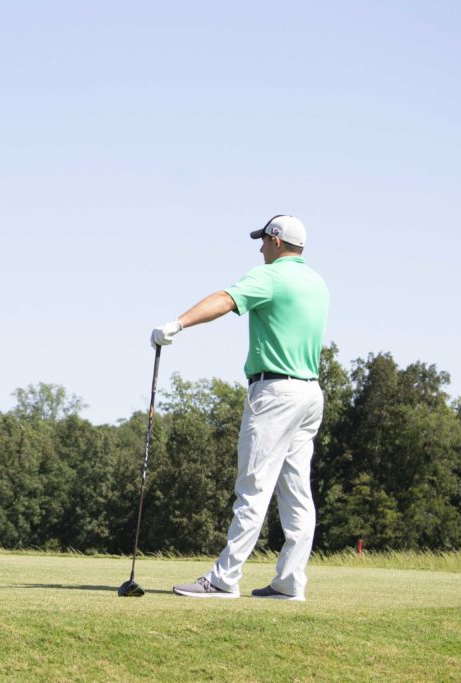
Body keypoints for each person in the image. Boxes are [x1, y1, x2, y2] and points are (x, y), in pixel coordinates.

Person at [151, 215, 329, 601]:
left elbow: (225, 300)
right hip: (310, 393)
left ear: (277, 241)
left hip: (275, 394)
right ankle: (289, 582)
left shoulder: (271, 277)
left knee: (253, 485)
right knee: (297, 492)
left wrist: (177, 324)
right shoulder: (317, 282)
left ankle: (223, 579)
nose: (260, 247)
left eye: (264, 240)